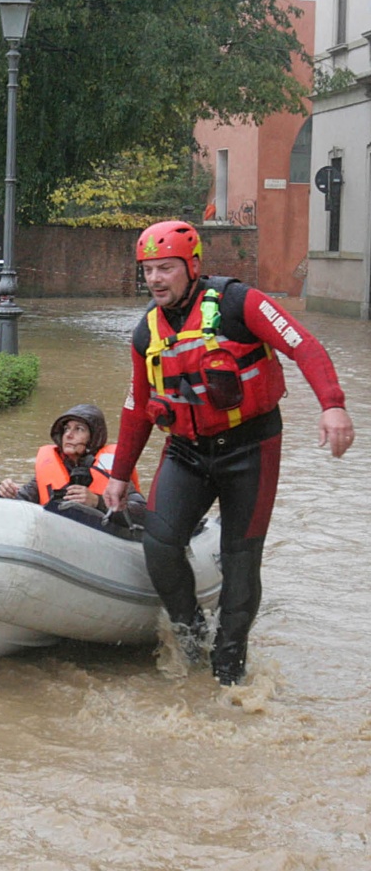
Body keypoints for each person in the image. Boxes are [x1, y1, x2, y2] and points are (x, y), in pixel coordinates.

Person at [102, 220, 355, 686]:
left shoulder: (241, 303)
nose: (155, 279)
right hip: (186, 451)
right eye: (148, 270)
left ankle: (229, 665)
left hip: (250, 447)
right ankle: (192, 632)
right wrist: (119, 475)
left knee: (240, 556)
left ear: (193, 266)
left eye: (166, 268)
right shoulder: (146, 334)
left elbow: (305, 346)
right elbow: (138, 405)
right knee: (160, 544)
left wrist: (332, 406)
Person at [0, 403, 145, 531]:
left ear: (94, 438)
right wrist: (1, 492)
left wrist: (97, 502)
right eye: (66, 429)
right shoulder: (50, 469)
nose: (69, 435)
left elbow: (143, 514)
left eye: (79, 429)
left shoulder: (112, 472)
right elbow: (18, 504)